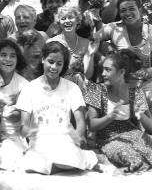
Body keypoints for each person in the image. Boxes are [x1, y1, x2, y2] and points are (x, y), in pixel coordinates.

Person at [94, 0, 152, 130]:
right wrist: (104, 55)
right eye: (123, 10)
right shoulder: (114, 28)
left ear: (140, 10)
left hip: (143, 83)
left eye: (131, 9)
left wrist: (142, 73)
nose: (127, 13)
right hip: (116, 83)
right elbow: (93, 40)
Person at [16, 41, 99, 174]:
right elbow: (24, 126)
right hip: (40, 139)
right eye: (51, 61)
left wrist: (78, 137)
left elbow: (80, 121)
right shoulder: (29, 88)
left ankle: (71, 160)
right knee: (32, 164)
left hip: (65, 138)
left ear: (63, 65)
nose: (54, 67)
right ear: (43, 59)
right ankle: (60, 163)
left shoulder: (72, 88)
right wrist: (31, 134)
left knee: (69, 158)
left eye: (59, 63)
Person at [0, 39, 29, 171]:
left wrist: (11, 112)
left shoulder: (24, 85)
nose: (8, 59)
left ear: (18, 60)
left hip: (11, 136)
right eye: (3, 55)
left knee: (8, 161)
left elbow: (23, 116)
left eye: (13, 56)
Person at [46, 6, 97, 86]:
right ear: (59, 22)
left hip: (79, 89)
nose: (67, 21)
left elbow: (88, 75)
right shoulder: (51, 43)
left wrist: (91, 54)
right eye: (63, 18)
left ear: (77, 21)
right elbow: (48, 73)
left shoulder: (86, 43)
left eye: (70, 17)